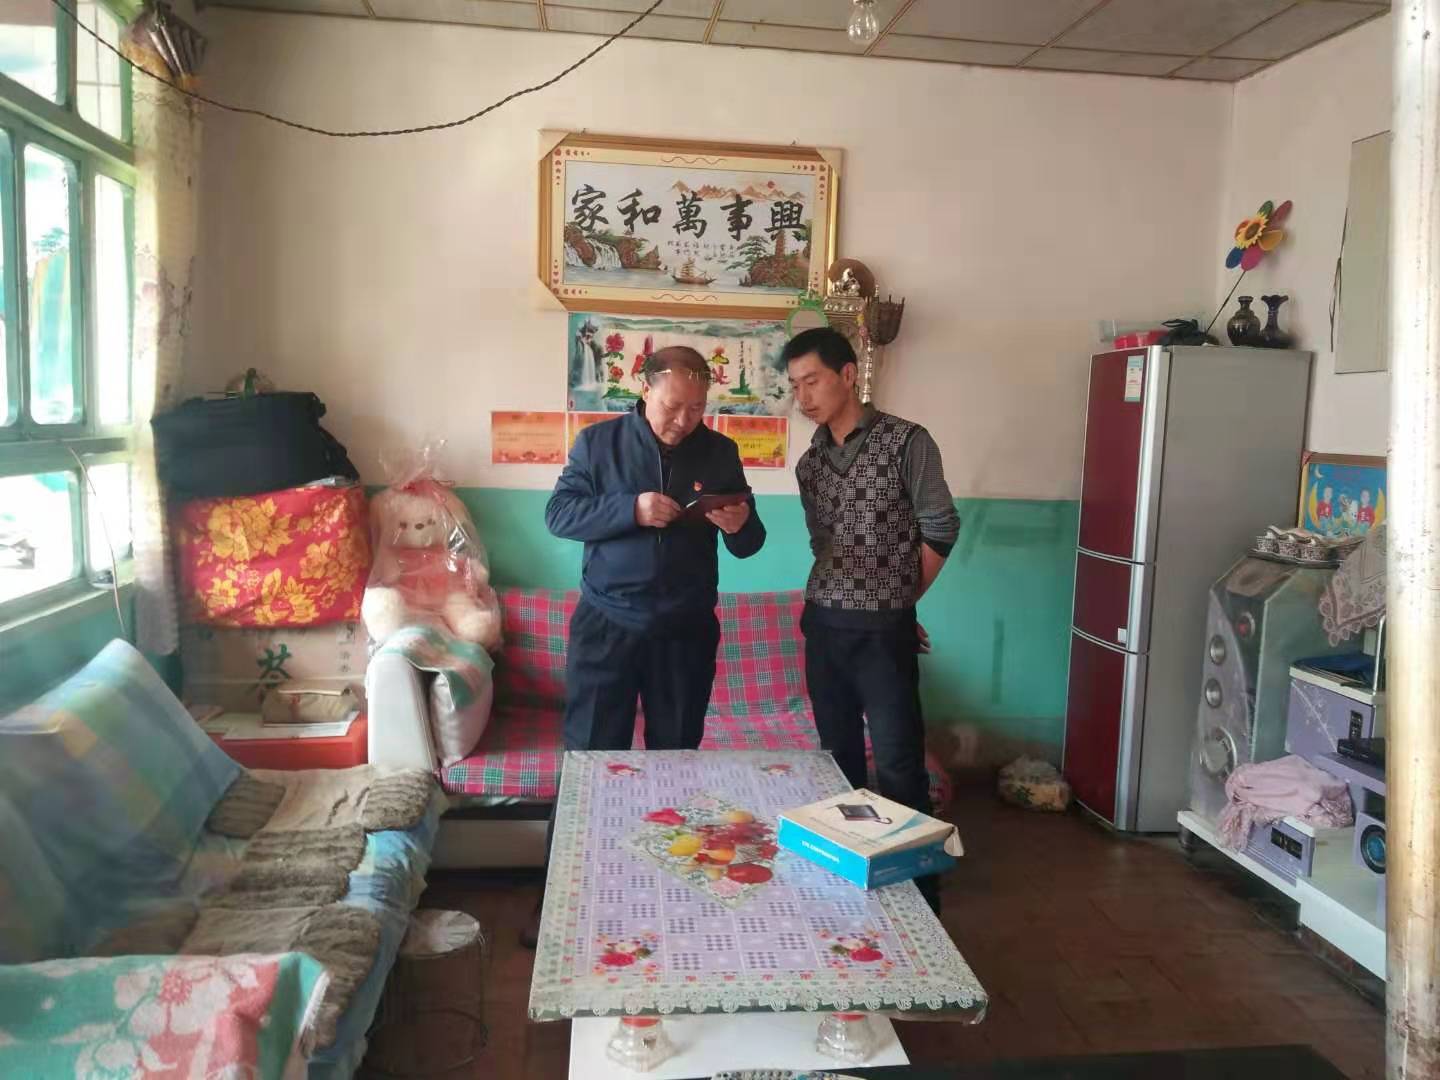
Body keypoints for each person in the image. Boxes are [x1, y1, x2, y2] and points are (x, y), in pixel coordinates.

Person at [784, 327, 960, 913]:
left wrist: (902, 601)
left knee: (899, 765)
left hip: (883, 633)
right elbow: (822, 545)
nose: (803, 396)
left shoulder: (907, 441)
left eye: (812, 381)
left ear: (848, 374)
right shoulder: (810, 464)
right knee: (836, 766)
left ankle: (921, 905)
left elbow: (941, 525)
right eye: (795, 386)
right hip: (824, 627)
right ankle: (850, 893)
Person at [546, 344, 766, 754]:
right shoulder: (598, 443)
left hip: (686, 629)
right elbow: (559, 515)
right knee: (592, 751)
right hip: (607, 621)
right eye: (672, 406)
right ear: (646, 390)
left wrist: (741, 525)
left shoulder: (720, 452)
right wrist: (631, 509)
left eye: (696, 409)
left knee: (677, 752)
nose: (683, 421)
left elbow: (750, 543)